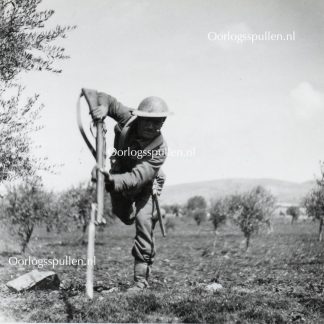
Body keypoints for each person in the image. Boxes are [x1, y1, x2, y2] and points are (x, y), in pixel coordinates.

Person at [91, 92, 171, 291]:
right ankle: (153, 214)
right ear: (140, 117)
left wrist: (109, 180)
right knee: (126, 217)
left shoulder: (159, 149)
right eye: (149, 122)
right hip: (119, 179)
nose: (153, 127)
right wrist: (103, 108)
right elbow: (103, 98)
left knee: (143, 222)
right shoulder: (128, 118)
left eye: (159, 123)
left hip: (144, 185)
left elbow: (136, 178)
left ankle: (140, 282)